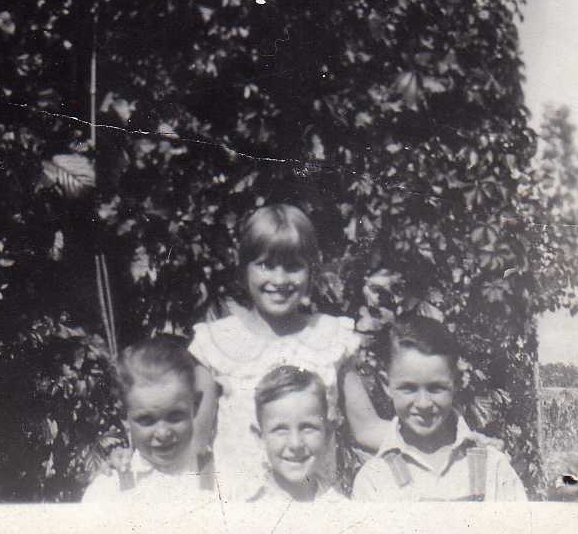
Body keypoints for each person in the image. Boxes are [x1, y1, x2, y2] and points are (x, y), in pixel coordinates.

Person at [188, 204, 385, 500]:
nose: (279, 280)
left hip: (313, 508)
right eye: (265, 265)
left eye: (293, 266)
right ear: (244, 269)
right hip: (241, 509)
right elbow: (194, 442)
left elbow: (368, 428)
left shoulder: (329, 338)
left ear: (311, 271)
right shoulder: (217, 342)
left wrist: (444, 438)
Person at [351, 315, 528, 502]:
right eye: (408, 388)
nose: (423, 403)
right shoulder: (375, 479)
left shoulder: (494, 468)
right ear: (386, 384)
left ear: (457, 382)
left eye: (436, 388)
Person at [82, 335, 214, 504]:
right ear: (124, 416)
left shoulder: (225, 477)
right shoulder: (108, 490)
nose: (163, 433)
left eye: (175, 416)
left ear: (195, 406)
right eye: (147, 420)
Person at [248, 364, 348, 504]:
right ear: (260, 437)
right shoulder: (248, 510)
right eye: (280, 429)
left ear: (328, 434)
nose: (295, 444)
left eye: (307, 427)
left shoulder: (341, 507)